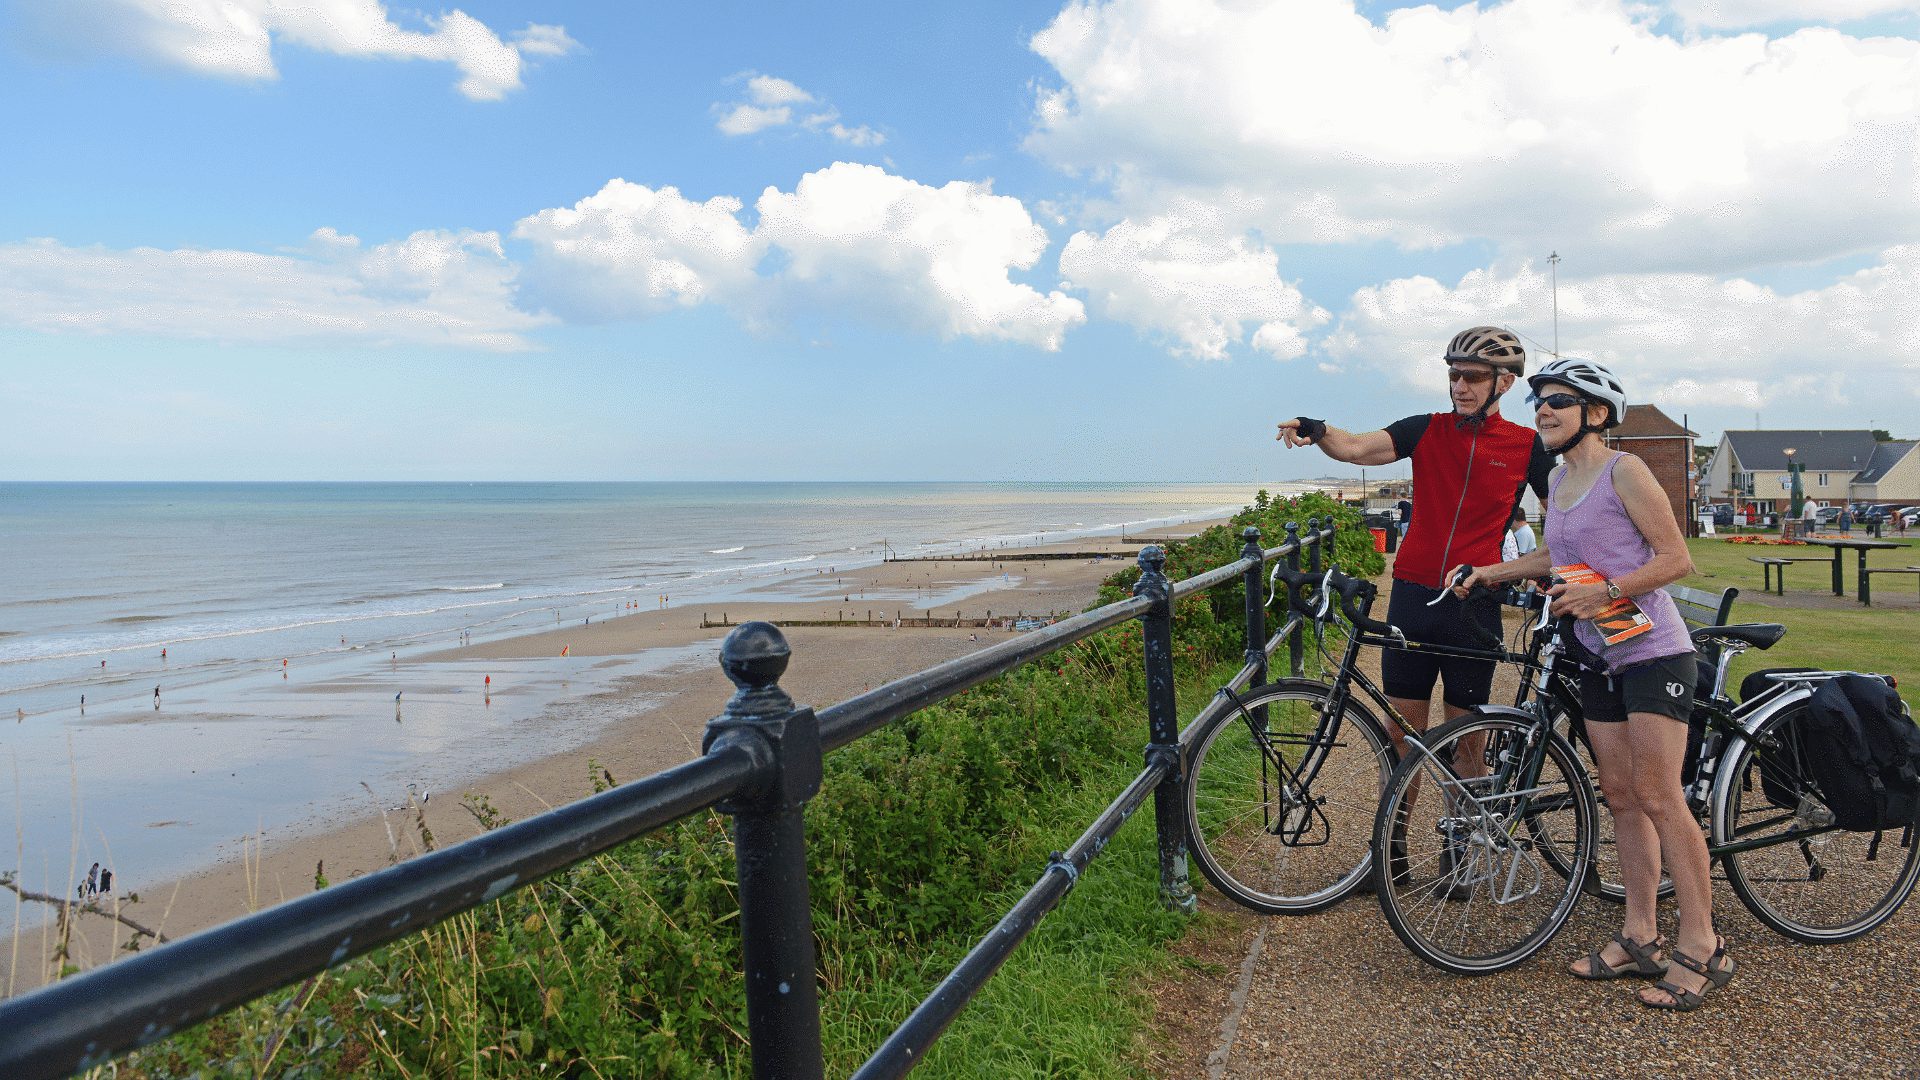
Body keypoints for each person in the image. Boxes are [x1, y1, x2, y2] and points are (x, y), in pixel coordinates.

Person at [1455, 357, 1732, 1012]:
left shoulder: (1624, 470)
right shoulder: (1559, 477)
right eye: (1539, 402)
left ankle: (1703, 944)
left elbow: (1676, 559)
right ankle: (1641, 935)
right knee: (1621, 793)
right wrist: (1492, 573)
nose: (1543, 410)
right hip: (1597, 652)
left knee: (1661, 795)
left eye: (1557, 401)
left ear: (1598, 413)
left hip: (1652, 651)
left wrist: (1603, 591)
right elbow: (1557, 553)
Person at [1276, 326, 1552, 758]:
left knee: (1466, 749)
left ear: (1505, 381)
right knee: (1399, 742)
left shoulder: (1527, 446)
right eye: (1454, 375)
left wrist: (1541, 569)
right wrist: (1318, 428)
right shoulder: (1425, 429)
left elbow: (1565, 523)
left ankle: (1469, 826)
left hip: (1474, 602)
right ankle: (1397, 828)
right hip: (1411, 599)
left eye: (1474, 376)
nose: (1460, 386)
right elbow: (1355, 449)